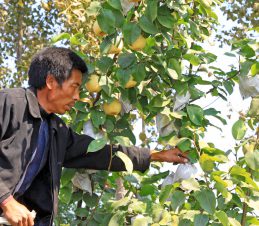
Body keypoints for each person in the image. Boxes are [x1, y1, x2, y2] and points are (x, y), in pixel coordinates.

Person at [0, 47, 188, 226]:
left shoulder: (55, 130)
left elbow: (99, 153)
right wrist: (6, 200)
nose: (76, 96)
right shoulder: (8, 103)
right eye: (74, 87)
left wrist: (155, 155)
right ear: (50, 82)